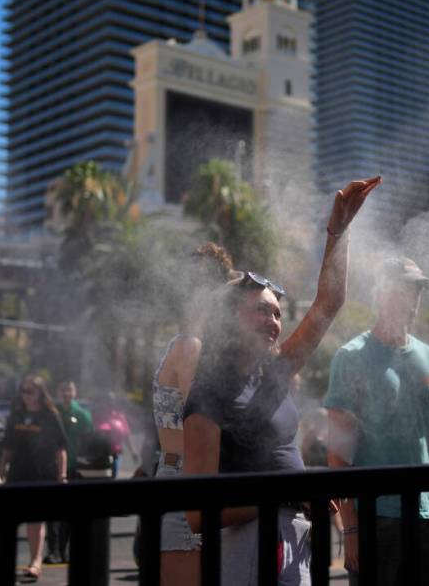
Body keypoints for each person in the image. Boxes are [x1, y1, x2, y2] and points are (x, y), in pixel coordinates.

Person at [183, 175, 381, 586]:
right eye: (260, 311)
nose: (273, 321)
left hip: (291, 534)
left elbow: (329, 304)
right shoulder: (208, 394)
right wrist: (287, 495)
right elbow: (198, 514)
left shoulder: (273, 374)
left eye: (276, 313)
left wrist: (338, 231)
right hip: (245, 547)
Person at [324, 255, 429, 586]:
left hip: (424, 514)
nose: (411, 302)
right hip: (374, 516)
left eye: (416, 293)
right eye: (402, 292)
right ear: (380, 294)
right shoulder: (350, 357)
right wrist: (351, 530)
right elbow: (338, 454)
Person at [151, 242, 235, 586]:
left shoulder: (190, 343)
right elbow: (205, 420)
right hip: (190, 478)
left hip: (184, 475)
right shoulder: (191, 347)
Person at [0, 375, 68, 582]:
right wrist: (1, 471)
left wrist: (62, 476)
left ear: (40, 393)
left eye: (31, 391)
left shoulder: (50, 415)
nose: (26, 395)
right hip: (17, 474)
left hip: (42, 473)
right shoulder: (16, 415)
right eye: (24, 391)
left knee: (36, 520)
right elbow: (8, 448)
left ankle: (35, 562)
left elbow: (61, 448)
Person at [45, 380, 94, 565]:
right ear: (58, 391)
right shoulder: (52, 413)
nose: (66, 393)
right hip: (52, 468)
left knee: (70, 515)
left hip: (74, 469)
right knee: (52, 516)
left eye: (69, 390)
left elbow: (90, 442)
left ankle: (66, 551)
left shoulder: (82, 415)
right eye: (63, 389)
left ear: (75, 392)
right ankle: (53, 551)